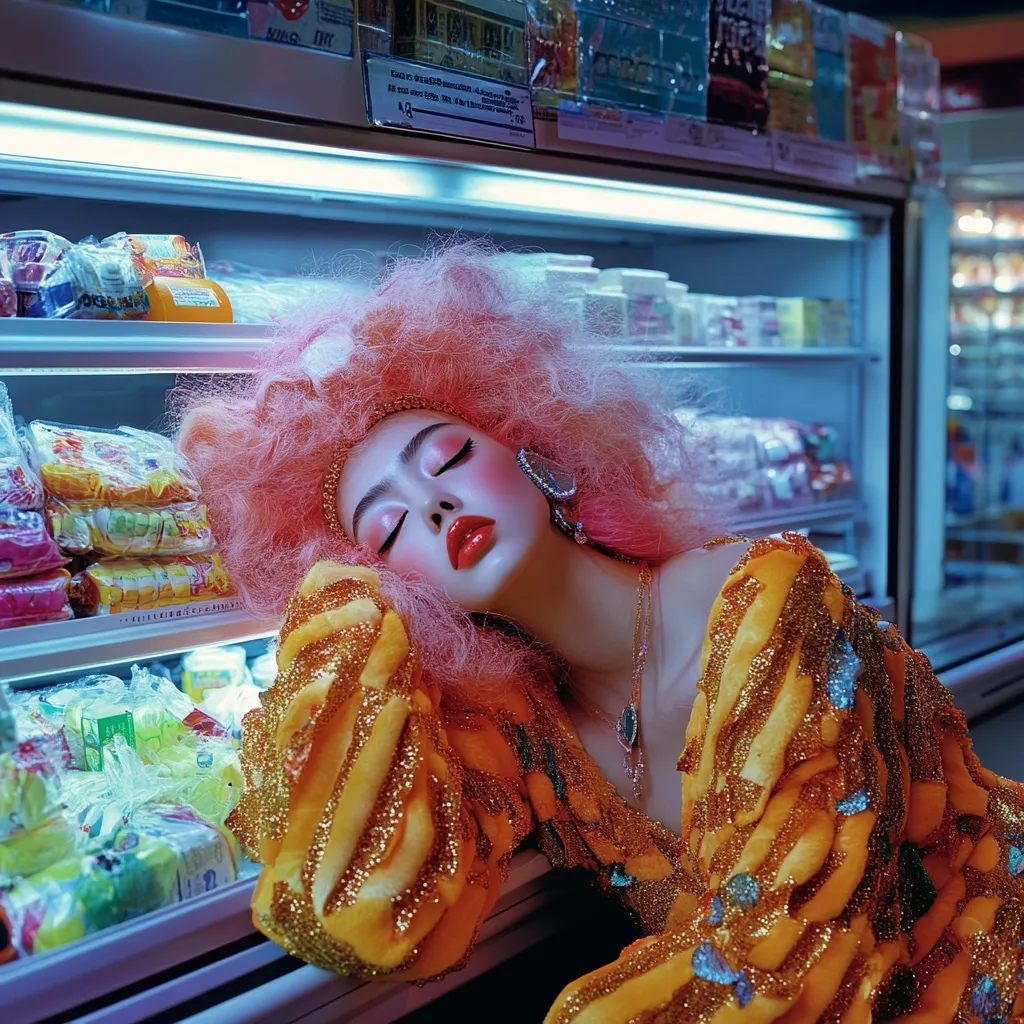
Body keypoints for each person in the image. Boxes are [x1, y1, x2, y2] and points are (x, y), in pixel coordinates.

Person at [179, 244, 1024, 1023]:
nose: (432, 506)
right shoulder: (524, 729)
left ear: (533, 449)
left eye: (445, 459)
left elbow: (797, 956)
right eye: (388, 528)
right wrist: (345, 607)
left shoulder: (766, 600)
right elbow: (360, 918)